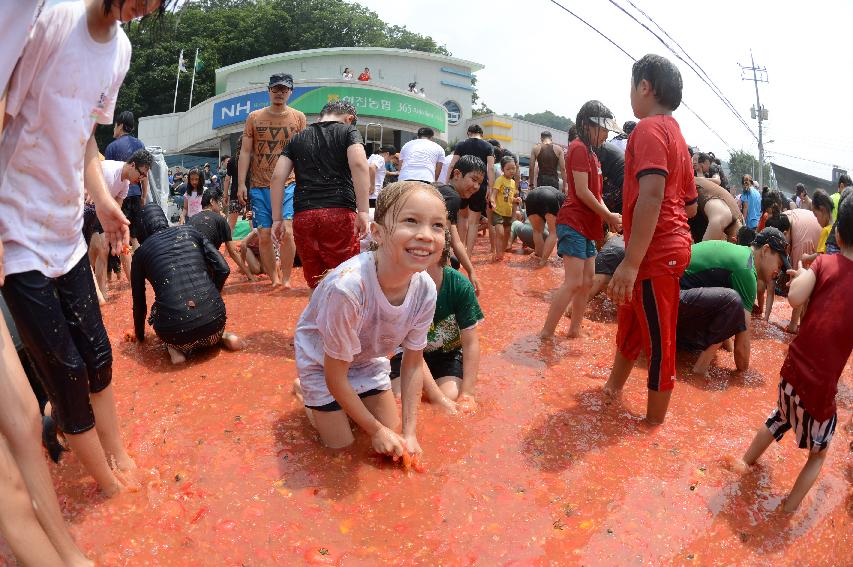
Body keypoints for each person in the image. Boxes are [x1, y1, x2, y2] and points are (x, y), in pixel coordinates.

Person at [0, 0, 176, 503]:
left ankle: (117, 455)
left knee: (98, 358)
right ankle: (110, 490)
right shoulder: (52, 19)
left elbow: (86, 142)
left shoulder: (120, 49)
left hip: (64, 227)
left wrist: (102, 202)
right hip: (14, 226)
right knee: (66, 372)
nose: (145, 6)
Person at [292, 181, 445, 453]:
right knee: (343, 449)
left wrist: (410, 434)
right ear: (377, 233)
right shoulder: (348, 288)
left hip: (366, 359)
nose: (426, 235)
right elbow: (334, 375)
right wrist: (375, 430)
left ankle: (350, 408)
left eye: (437, 225)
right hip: (321, 362)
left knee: (394, 439)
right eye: (411, 221)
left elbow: (411, 364)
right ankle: (307, 394)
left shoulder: (426, 289)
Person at [729, 196, 853, 512]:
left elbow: (795, 299)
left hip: (791, 374)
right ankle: (787, 509)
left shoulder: (824, 262)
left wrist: (800, 274)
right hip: (820, 391)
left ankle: (744, 462)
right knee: (819, 453)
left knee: (779, 417)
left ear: (838, 235)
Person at [602, 54, 698, 425]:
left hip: (654, 253)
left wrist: (630, 261)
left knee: (659, 342)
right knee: (630, 322)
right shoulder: (677, 135)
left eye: (632, 86)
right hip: (666, 245)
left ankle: (652, 426)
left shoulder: (647, 130)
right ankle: (612, 389)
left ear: (644, 87)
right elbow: (689, 207)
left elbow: (652, 195)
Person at [541, 100, 623, 339]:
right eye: (603, 128)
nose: (607, 134)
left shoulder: (593, 156)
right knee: (573, 281)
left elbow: (596, 194)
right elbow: (582, 191)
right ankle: (546, 333)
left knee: (587, 282)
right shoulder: (577, 148)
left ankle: (575, 329)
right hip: (574, 222)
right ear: (587, 126)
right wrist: (607, 215)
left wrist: (608, 217)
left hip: (588, 226)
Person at [270, 100, 369, 289]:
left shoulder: (297, 139)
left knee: (316, 283)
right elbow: (358, 164)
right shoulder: (348, 131)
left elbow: (276, 178)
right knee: (345, 279)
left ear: (321, 116)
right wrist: (363, 210)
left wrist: (277, 219)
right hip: (338, 213)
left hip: (304, 216)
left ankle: (316, 317)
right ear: (349, 119)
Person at [131, 204, 243, 365]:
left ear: (142, 228)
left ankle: (175, 352)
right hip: (215, 324)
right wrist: (213, 294)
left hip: (178, 336)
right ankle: (224, 337)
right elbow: (224, 269)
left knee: (157, 309)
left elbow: (139, 303)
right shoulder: (190, 232)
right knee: (208, 325)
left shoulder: (140, 254)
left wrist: (140, 337)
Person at [390, 228, 483, 413]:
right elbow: (411, 350)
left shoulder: (459, 285)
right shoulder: (402, 286)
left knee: (452, 396)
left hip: (448, 355)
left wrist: (468, 393)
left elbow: (471, 342)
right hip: (408, 355)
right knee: (399, 400)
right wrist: (435, 396)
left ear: (444, 253)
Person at [678, 232, 788, 375]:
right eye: (779, 265)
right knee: (733, 302)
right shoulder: (746, 269)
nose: (778, 272)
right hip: (672, 298)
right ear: (765, 250)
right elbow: (742, 358)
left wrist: (728, 350)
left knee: (730, 302)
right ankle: (700, 369)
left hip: (666, 296)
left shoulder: (742, 255)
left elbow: (726, 320)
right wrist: (745, 375)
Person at [237, 73, 307, 288]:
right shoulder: (254, 117)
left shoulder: (299, 117)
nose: (279, 93)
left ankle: (286, 278)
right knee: (264, 235)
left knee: (287, 231)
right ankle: (274, 279)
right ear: (268, 91)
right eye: (275, 89)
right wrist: (241, 183)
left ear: (290, 92)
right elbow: (246, 151)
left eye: (284, 90)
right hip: (259, 185)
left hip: (288, 184)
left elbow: (303, 152)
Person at [89, 149, 153, 302]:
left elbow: (116, 210)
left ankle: (134, 286)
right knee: (100, 248)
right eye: (142, 173)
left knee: (124, 246)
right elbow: (98, 202)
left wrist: (121, 231)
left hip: (100, 209)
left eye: (145, 175)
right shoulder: (110, 172)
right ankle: (100, 293)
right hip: (88, 207)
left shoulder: (125, 184)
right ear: (132, 165)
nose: (142, 178)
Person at [762, 205, 821, 331]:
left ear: (784, 234)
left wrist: (792, 325)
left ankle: (800, 325)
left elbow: (802, 286)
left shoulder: (800, 243)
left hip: (819, 246)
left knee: (804, 283)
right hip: (809, 230)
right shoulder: (783, 218)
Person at [434, 155, 486, 294]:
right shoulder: (452, 197)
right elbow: (442, 239)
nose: (476, 187)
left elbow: (456, 241)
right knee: (452, 263)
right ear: (457, 174)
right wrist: (447, 279)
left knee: (455, 260)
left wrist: (471, 272)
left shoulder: (444, 190)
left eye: (479, 183)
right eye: (473, 180)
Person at [188, 188, 255, 280]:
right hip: (205, 263)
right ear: (212, 201)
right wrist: (250, 276)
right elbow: (233, 252)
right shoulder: (220, 220)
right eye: (219, 201)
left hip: (189, 262)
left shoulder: (191, 219)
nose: (221, 205)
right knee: (224, 270)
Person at [449, 124, 495, 257]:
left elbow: (453, 164)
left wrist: (448, 181)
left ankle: (460, 251)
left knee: (462, 217)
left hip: (463, 183)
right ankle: (468, 254)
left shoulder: (461, 144)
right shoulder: (488, 146)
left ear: (469, 133)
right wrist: (490, 188)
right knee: (474, 222)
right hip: (479, 185)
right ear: (482, 134)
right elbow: (490, 168)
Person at [105, 110, 146, 240]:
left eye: (115, 125)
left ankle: (121, 260)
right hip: (137, 196)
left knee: (120, 236)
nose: (114, 129)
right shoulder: (140, 144)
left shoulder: (112, 147)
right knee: (134, 237)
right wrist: (144, 196)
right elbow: (145, 174)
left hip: (120, 198)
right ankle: (135, 260)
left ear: (120, 125)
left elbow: (106, 178)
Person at [689, 177, 744, 243]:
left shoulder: (740, 220)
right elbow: (702, 252)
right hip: (683, 189)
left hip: (694, 196)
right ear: (734, 240)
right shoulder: (720, 219)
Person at [525, 185, 565, 266]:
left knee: (537, 231)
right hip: (549, 196)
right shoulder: (565, 201)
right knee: (553, 232)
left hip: (530, 197)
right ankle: (543, 262)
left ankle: (539, 259)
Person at [489, 156, 520, 261]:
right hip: (498, 211)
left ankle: (501, 253)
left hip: (508, 213)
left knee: (507, 233)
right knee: (500, 233)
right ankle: (498, 254)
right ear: (502, 169)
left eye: (513, 168)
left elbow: (510, 198)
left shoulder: (513, 183)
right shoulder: (500, 180)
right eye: (508, 169)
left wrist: (516, 200)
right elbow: (494, 194)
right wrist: (492, 201)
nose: (512, 171)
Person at [594, 138, 626, 215]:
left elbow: (597, 177)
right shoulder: (598, 146)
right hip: (619, 181)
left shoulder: (598, 149)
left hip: (619, 183)